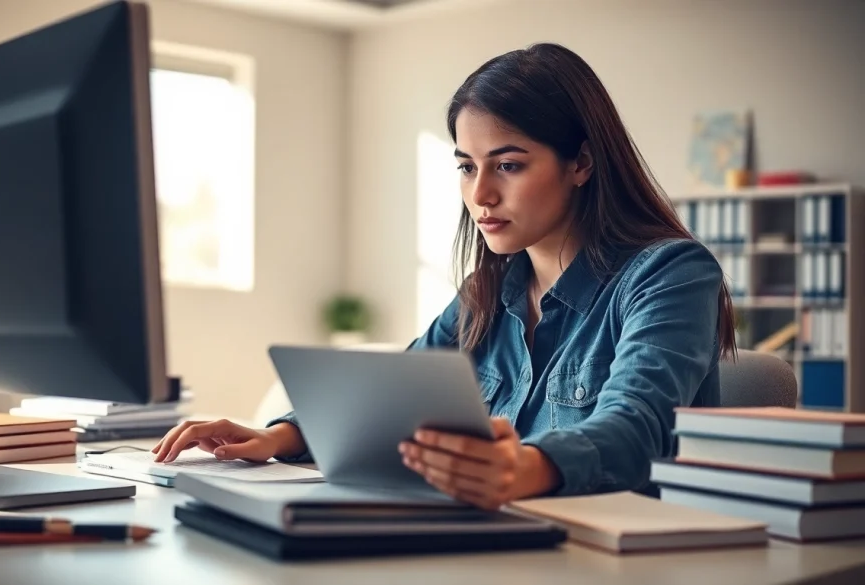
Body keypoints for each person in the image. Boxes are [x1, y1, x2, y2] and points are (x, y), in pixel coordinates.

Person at [152, 42, 736, 509]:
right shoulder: (486, 294)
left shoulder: (669, 274)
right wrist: (276, 437)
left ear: (581, 162)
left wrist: (526, 467)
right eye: (466, 167)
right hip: (502, 549)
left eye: (508, 165)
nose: (479, 195)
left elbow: (637, 429)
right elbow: (383, 396)